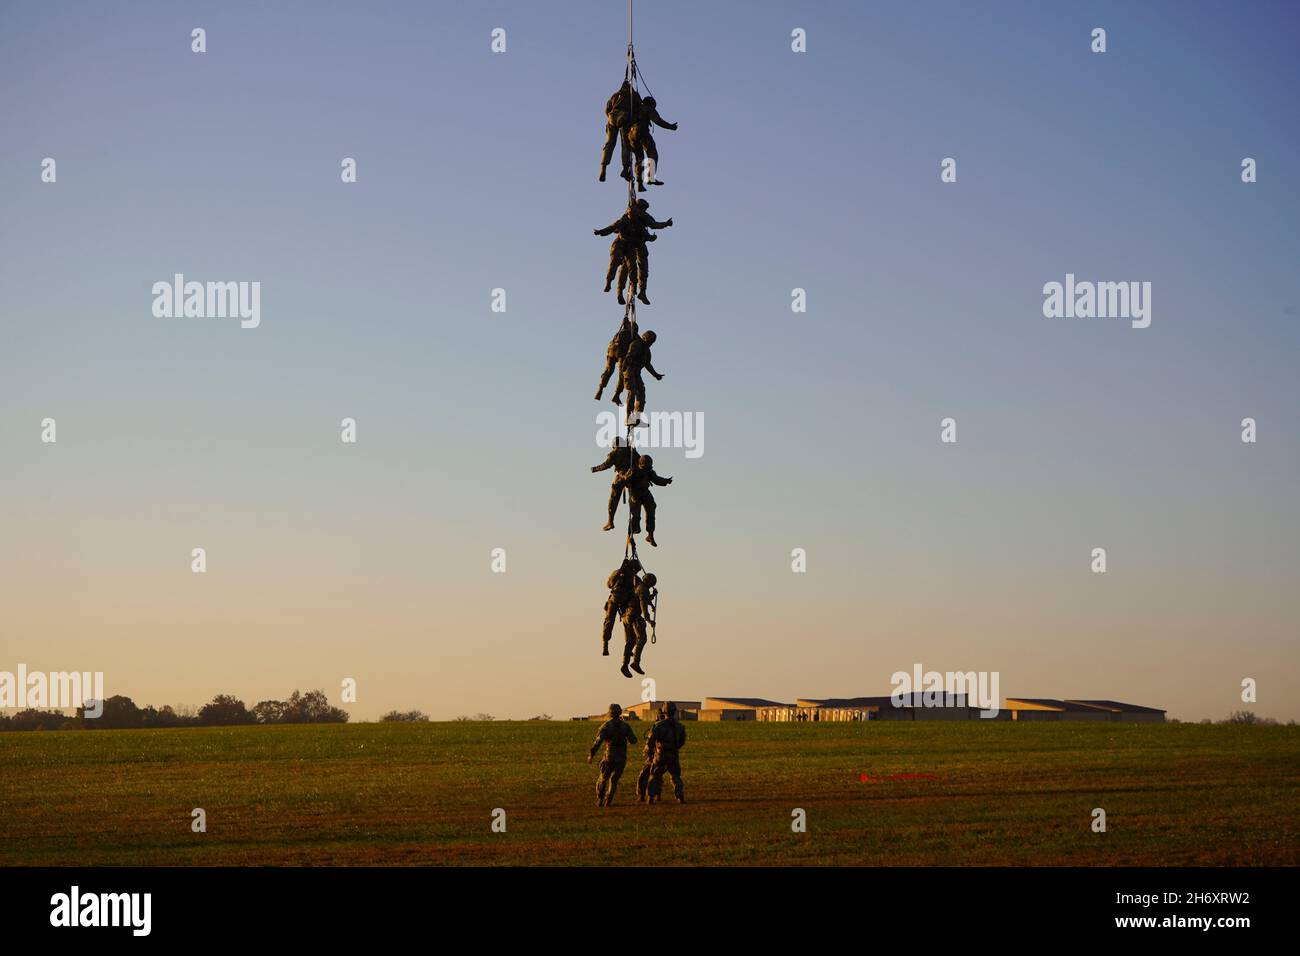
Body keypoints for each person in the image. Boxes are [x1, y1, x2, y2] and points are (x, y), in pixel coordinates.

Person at [587, 703, 637, 806]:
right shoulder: (625, 726)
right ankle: (608, 800)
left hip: (609, 756)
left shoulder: (606, 726)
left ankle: (600, 799)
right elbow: (633, 740)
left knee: (603, 778)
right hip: (621, 757)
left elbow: (598, 742)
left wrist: (591, 754)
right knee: (614, 780)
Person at [628, 96, 678, 189]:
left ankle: (639, 184)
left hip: (631, 135)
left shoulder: (634, 109)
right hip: (642, 132)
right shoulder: (648, 109)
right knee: (653, 155)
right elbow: (658, 121)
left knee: (639, 159)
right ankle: (650, 178)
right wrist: (670, 126)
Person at [591, 436, 637, 531]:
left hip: (621, 476)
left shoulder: (614, 453)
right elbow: (639, 460)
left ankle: (610, 521)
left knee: (613, 498)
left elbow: (606, 465)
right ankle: (636, 522)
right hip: (632, 476)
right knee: (634, 500)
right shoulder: (630, 450)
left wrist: (595, 469)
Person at [598, 81, 640, 183]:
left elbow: (607, 109)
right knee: (625, 144)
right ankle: (625, 169)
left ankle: (603, 168)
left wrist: (610, 118)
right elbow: (639, 109)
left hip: (612, 117)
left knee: (609, 143)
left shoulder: (615, 95)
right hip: (624, 117)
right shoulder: (633, 95)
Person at [626, 454, 672, 547]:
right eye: (646, 466)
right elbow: (625, 480)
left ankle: (650, 535)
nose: (647, 468)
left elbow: (656, 479)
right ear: (641, 464)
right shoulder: (634, 470)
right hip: (635, 493)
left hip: (645, 492)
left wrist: (666, 481)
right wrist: (627, 480)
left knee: (651, 511)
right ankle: (630, 536)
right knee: (636, 516)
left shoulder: (649, 472)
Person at [645, 701, 687, 804]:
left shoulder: (658, 725)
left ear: (664, 711)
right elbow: (682, 741)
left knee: (655, 775)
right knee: (676, 776)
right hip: (673, 754)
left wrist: (649, 753)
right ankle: (680, 797)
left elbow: (650, 742)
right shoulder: (680, 726)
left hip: (661, 754)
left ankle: (650, 797)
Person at [620, 330, 662, 426]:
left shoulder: (647, 351)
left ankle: (637, 417)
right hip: (629, 371)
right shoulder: (636, 344)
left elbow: (647, 364)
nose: (650, 344)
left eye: (652, 342)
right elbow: (628, 357)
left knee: (641, 393)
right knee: (632, 391)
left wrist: (656, 375)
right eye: (649, 341)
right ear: (645, 339)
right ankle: (628, 417)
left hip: (637, 373)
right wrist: (624, 372)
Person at [600, 558, 640, 657]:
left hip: (620, 601)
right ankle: (607, 644)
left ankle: (623, 646)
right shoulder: (624, 575)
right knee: (618, 622)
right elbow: (609, 584)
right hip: (619, 600)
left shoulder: (630, 577)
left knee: (618, 622)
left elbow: (609, 584)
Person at [636, 706, 665, 801]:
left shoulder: (656, 727)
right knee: (658, 776)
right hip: (668, 756)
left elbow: (650, 743)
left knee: (644, 775)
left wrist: (646, 751)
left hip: (656, 756)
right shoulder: (673, 726)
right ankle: (658, 795)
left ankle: (643, 795)